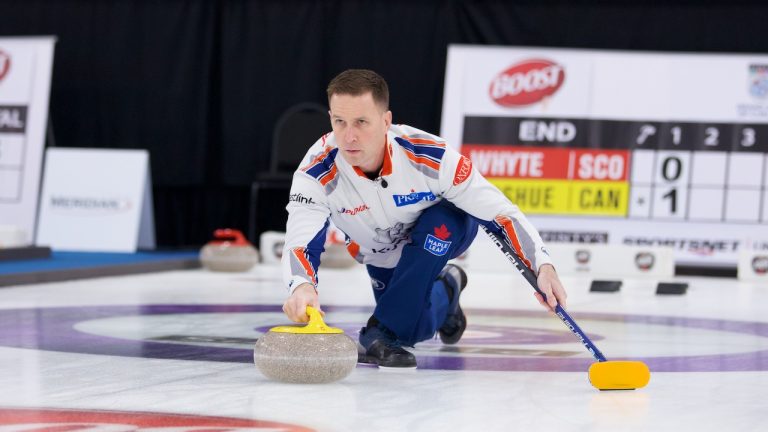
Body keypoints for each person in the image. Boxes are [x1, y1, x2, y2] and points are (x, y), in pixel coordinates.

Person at [281, 69, 567, 368]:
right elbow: (302, 241)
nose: (349, 136)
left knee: (431, 238)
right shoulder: (316, 172)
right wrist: (301, 285)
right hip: (381, 252)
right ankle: (448, 288)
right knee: (411, 328)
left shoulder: (430, 155)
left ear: (386, 121)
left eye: (361, 122)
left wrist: (542, 265)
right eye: (339, 122)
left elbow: (500, 213)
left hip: (446, 229)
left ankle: (376, 331)